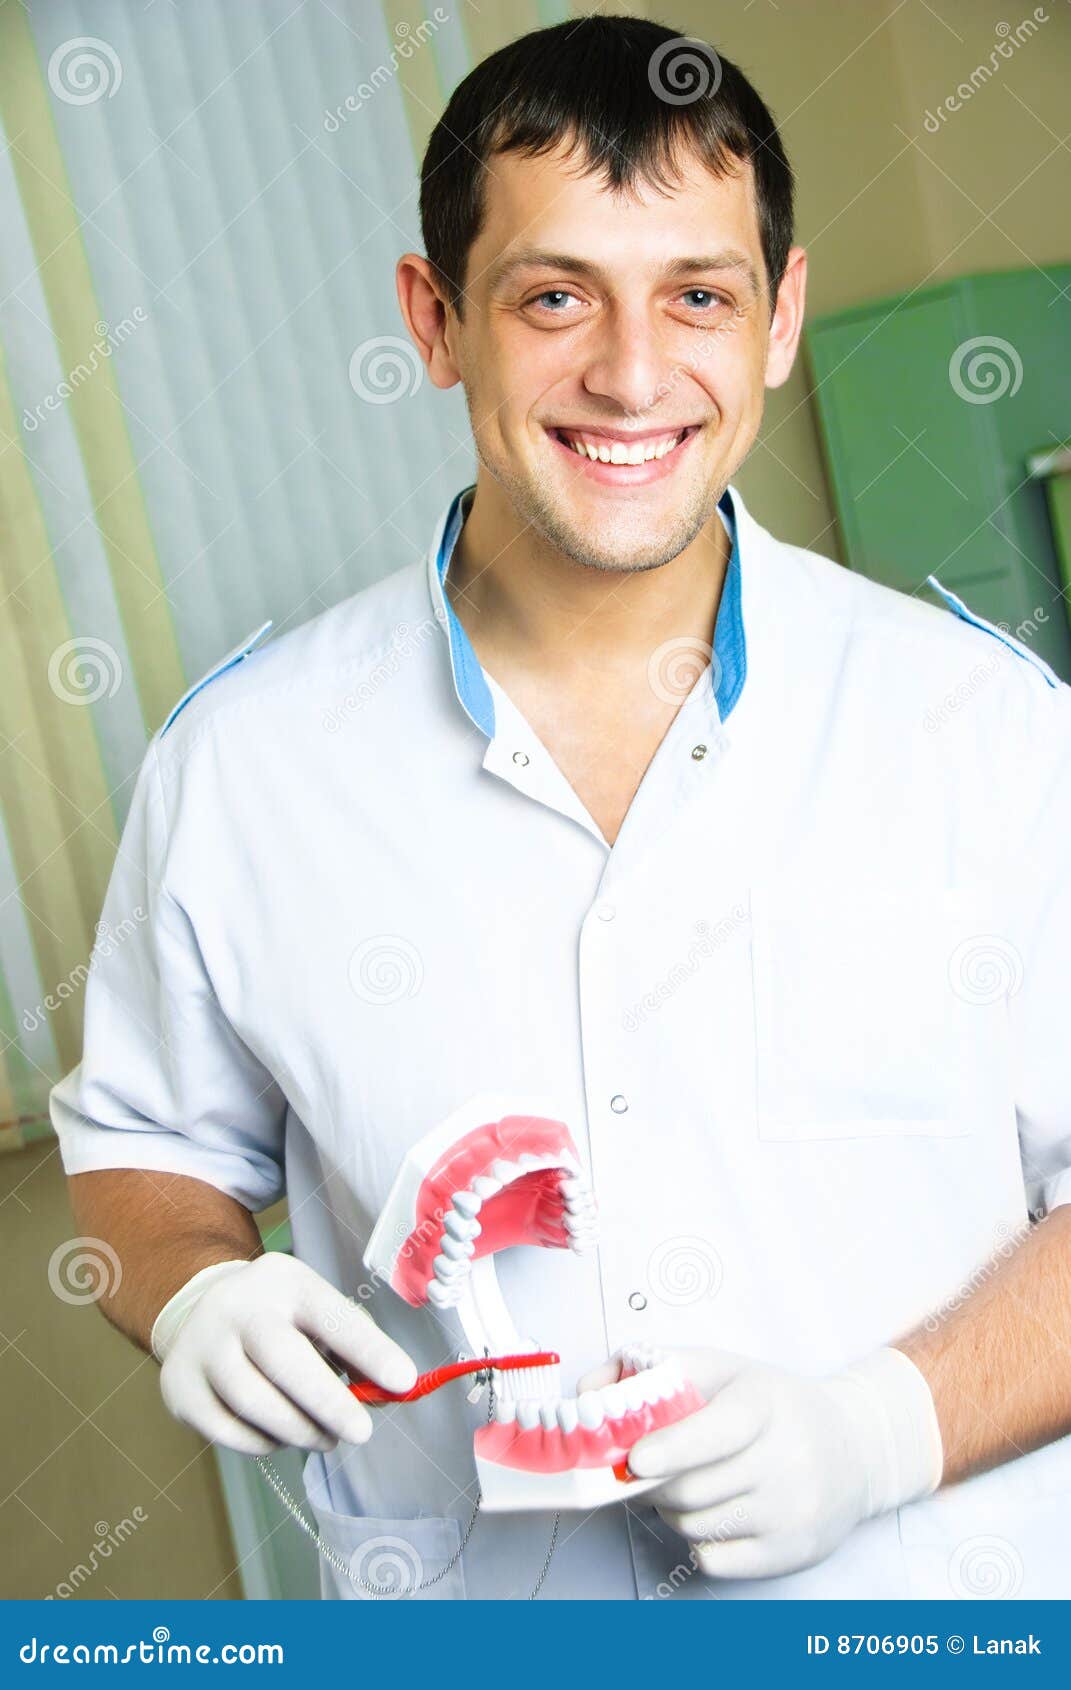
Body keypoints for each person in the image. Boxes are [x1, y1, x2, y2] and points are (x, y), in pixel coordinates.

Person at [52, 15, 1071, 1601]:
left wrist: (885, 1429)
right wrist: (189, 1289)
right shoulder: (244, 772)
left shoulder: (992, 735)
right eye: (552, 296)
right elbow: (135, 1154)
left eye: (700, 296)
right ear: (435, 317)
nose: (633, 373)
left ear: (781, 319)